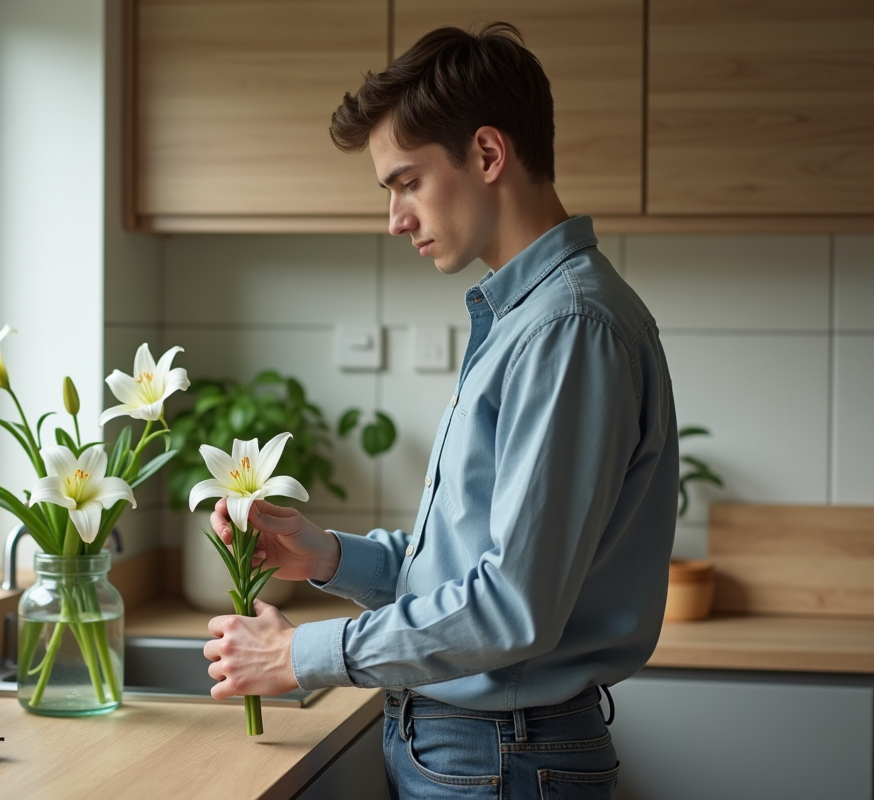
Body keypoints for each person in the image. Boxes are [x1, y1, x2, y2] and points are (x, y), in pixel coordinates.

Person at [202, 22, 679, 799]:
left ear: (488, 156)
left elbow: (510, 611)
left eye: (406, 182)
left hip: (501, 756)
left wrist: (298, 656)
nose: (395, 218)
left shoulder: (567, 331)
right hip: (480, 750)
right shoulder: (526, 321)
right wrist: (324, 556)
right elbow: (467, 574)